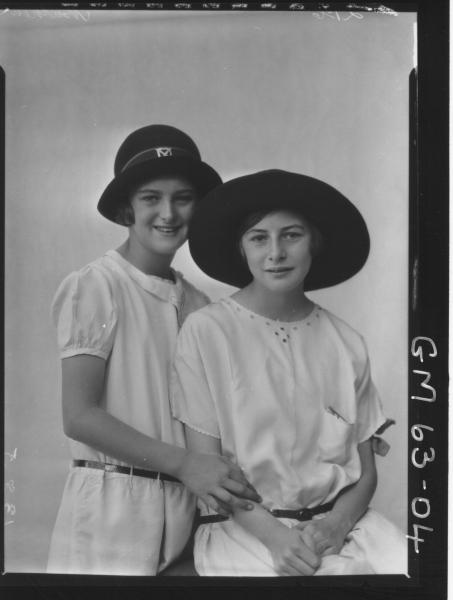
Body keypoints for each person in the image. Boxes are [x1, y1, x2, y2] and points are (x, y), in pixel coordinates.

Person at [47, 125, 261, 576]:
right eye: (151, 198)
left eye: (183, 197)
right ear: (127, 207)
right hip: (111, 511)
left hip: (185, 510)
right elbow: (79, 415)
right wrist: (185, 464)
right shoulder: (97, 286)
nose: (168, 212)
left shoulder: (200, 304)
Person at [171, 169, 407, 576]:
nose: (275, 253)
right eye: (259, 238)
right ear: (241, 249)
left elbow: (365, 472)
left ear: (315, 242)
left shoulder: (346, 342)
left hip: (339, 525)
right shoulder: (208, 331)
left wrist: (336, 524)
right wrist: (279, 539)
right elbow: (209, 469)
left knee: (412, 571)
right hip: (246, 528)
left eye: (291, 235)